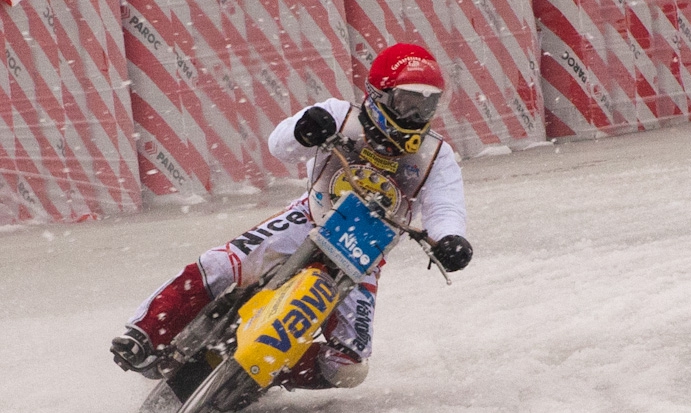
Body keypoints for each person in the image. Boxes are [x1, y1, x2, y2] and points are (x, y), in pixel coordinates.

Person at [111, 42, 472, 391]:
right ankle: (145, 334)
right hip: (307, 219)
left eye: (426, 106)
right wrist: (304, 128)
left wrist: (450, 238)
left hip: (364, 253)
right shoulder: (339, 115)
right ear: (379, 94)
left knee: (348, 365)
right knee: (223, 264)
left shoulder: (434, 155)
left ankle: (264, 371)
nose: (415, 116)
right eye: (408, 102)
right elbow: (280, 144)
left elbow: (445, 205)